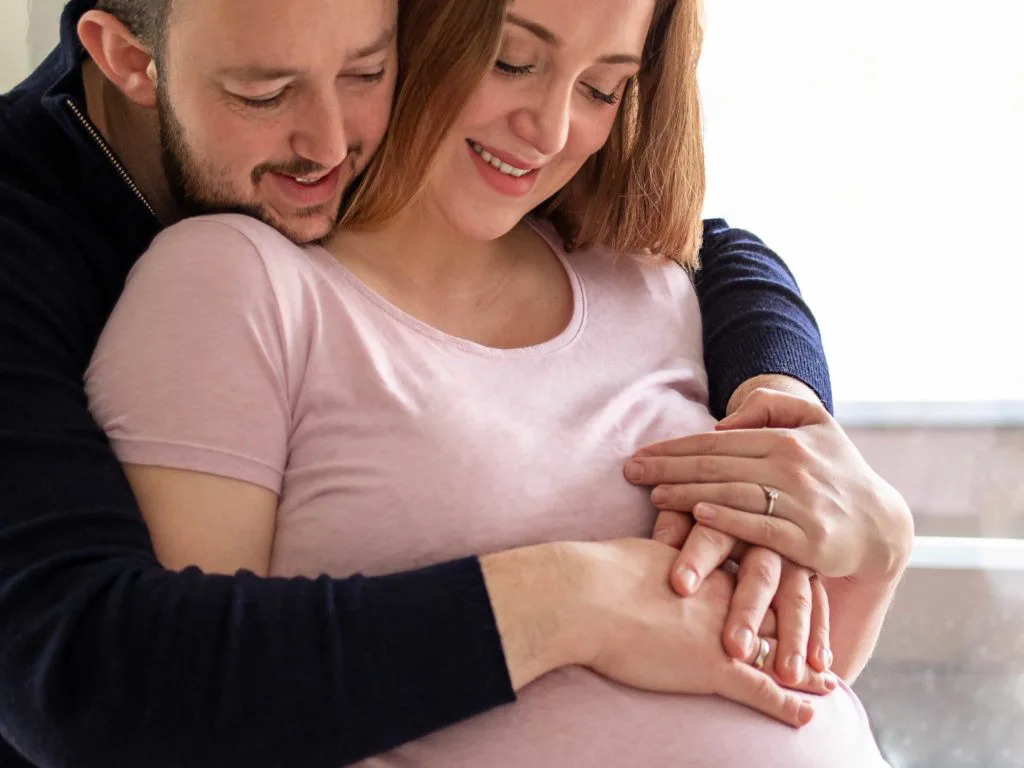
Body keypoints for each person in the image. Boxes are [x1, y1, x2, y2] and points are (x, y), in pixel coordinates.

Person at [0, 0, 910, 766]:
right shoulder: (186, 272)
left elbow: (716, 249)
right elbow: (119, 685)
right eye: (263, 92)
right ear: (129, 60)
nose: (328, 146)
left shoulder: (641, 275)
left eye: (363, 72)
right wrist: (572, 599)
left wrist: (850, 496)